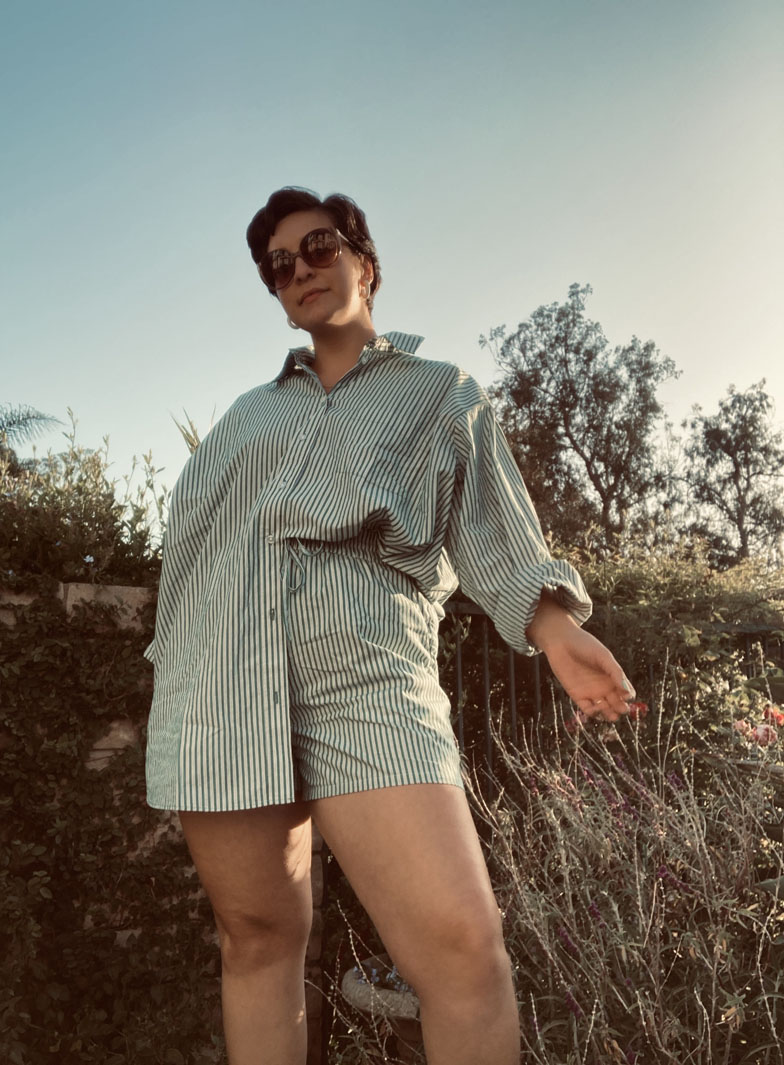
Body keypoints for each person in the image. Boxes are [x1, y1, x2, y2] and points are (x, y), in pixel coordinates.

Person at [144, 186, 635, 1065]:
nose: (300, 269)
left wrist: (555, 627)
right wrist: (179, 664)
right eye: (279, 266)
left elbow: (490, 525)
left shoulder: (441, 394)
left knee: (462, 953)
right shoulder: (248, 416)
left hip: (365, 671)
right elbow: (190, 539)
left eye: (318, 245)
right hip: (221, 674)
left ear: (364, 261)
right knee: (256, 939)